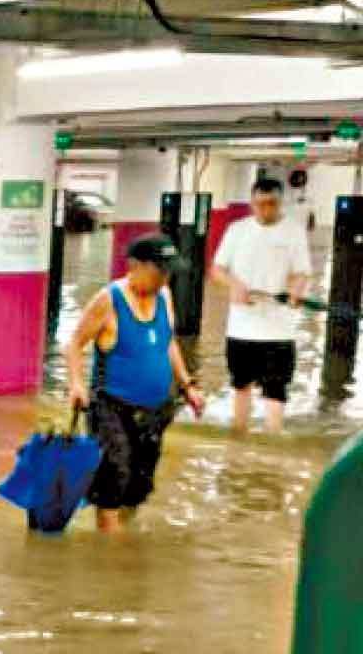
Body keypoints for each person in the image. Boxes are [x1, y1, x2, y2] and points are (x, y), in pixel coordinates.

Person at [66, 235, 206, 533]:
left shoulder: (164, 296)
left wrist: (188, 385)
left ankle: (122, 539)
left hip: (156, 409)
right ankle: (112, 561)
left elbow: (168, 343)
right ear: (136, 266)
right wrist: (76, 385)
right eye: (160, 270)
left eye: (169, 271)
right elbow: (75, 344)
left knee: (138, 484)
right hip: (111, 407)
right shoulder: (109, 300)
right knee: (113, 477)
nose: (165, 277)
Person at [211, 177, 312, 435]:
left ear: (281, 203)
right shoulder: (237, 230)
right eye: (259, 204)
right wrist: (235, 286)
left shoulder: (294, 231)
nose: (265, 210)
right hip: (241, 327)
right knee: (240, 385)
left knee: (275, 391)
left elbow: (302, 272)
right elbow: (217, 269)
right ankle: (238, 437)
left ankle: (272, 442)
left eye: (271, 204)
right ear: (252, 203)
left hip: (279, 329)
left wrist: (295, 291)